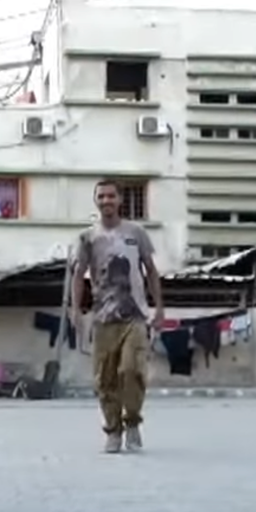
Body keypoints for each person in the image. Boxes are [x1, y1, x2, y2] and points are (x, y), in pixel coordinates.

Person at [68, 178, 163, 454]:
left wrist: (159, 307)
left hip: (135, 315)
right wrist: (76, 310)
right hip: (103, 319)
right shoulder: (87, 238)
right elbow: (78, 276)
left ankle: (131, 423)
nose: (107, 201)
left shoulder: (136, 233)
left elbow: (151, 270)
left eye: (111, 196)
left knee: (132, 370)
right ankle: (113, 431)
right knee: (105, 379)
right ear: (96, 201)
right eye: (102, 196)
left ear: (120, 200)